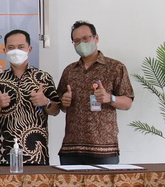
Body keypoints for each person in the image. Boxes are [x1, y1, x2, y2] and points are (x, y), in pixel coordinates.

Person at [56, 20, 134, 164]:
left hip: (104, 149)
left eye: (86, 38)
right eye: (77, 41)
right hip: (71, 149)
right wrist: (64, 102)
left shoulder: (115, 67)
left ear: (96, 38)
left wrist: (109, 98)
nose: (81, 43)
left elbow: (128, 102)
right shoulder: (69, 71)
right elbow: (60, 105)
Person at [0, 29, 60, 165]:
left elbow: (55, 110)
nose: (16, 51)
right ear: (4, 50)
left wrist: (45, 102)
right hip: (4, 153)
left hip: (36, 153)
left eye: (21, 47)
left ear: (29, 49)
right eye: (11, 47)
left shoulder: (43, 78)